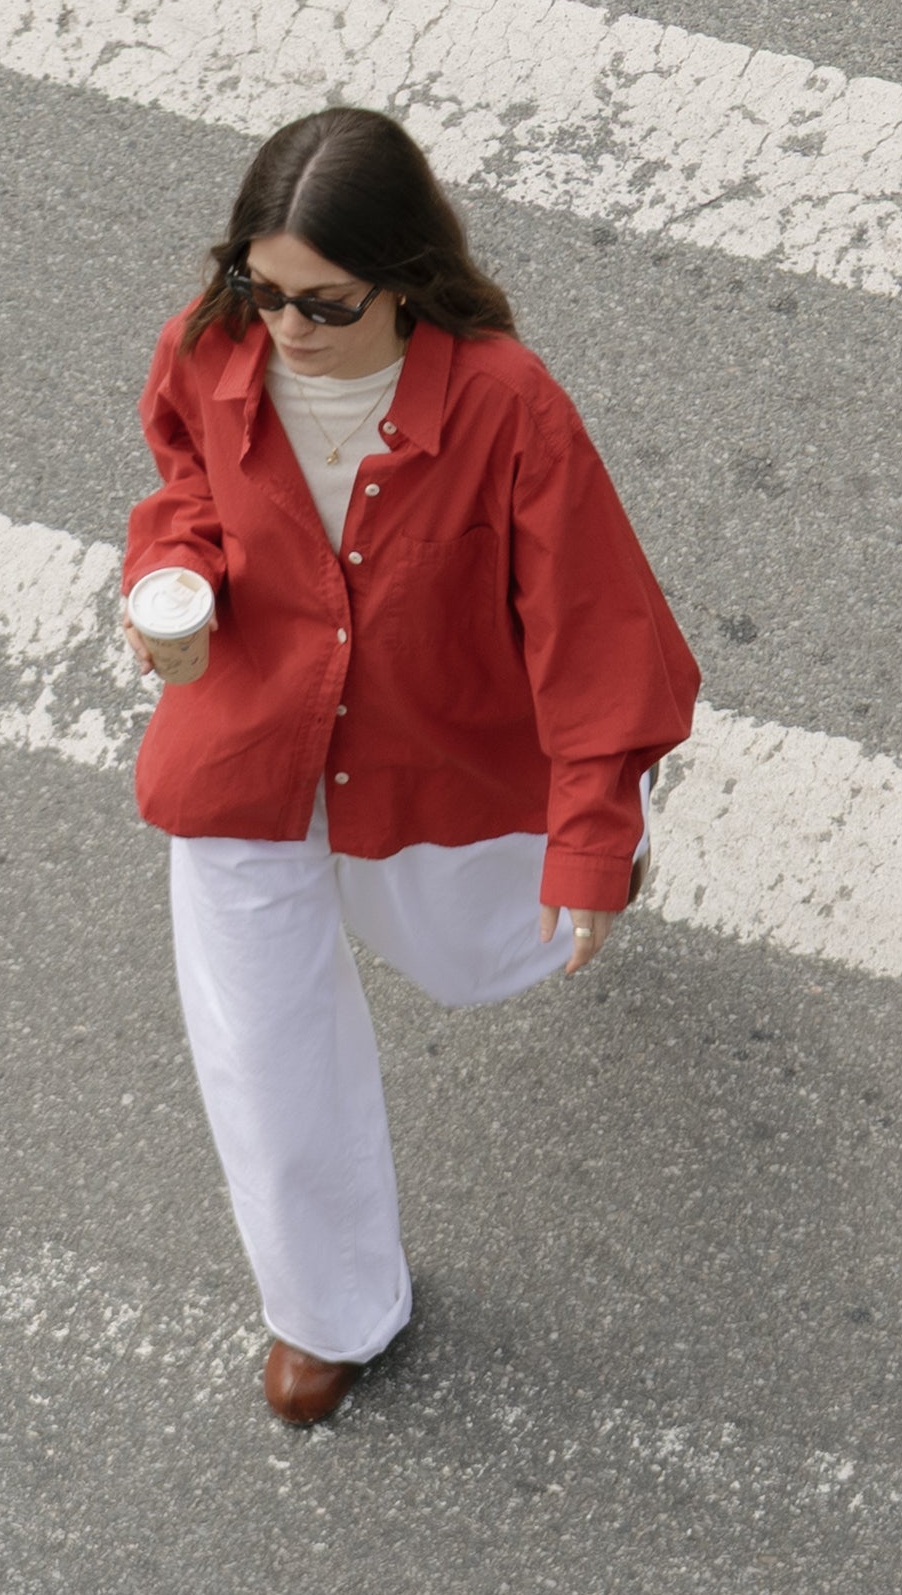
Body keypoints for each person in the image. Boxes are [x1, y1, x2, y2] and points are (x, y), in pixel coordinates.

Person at [119, 108, 700, 1427]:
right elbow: (184, 482)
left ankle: (613, 840)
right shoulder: (211, 349)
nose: (287, 329)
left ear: (403, 277)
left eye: (322, 302)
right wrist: (173, 572)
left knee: (495, 954)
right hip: (251, 749)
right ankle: (329, 1313)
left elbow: (592, 621)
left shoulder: (506, 405)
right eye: (260, 292)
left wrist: (594, 830)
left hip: (436, 756)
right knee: (263, 1049)